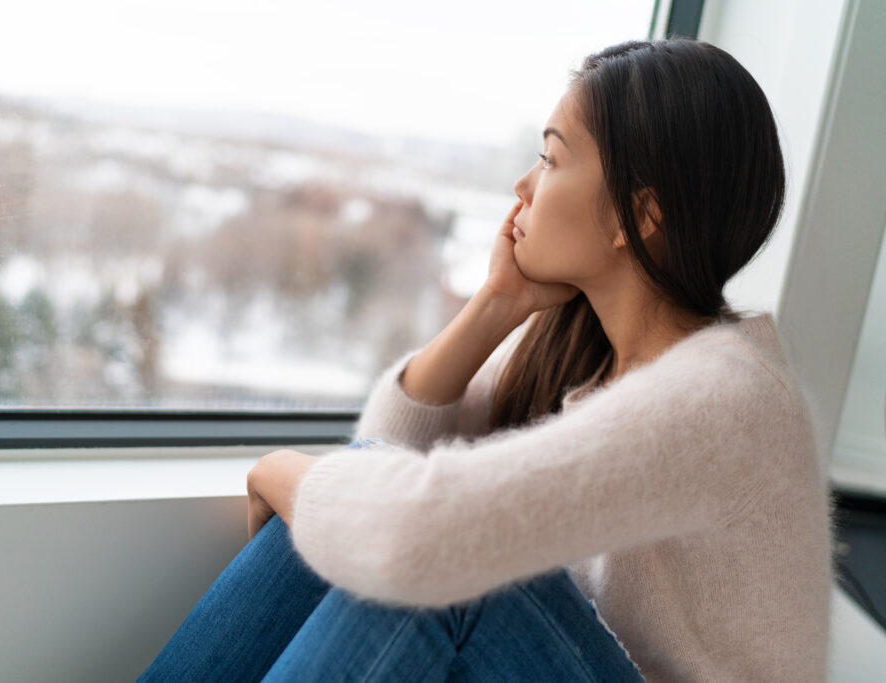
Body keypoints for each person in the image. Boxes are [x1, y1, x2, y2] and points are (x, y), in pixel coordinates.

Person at [139, 37, 832, 682]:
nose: (522, 187)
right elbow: (389, 444)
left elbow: (413, 533)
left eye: (553, 158)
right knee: (346, 514)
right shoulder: (595, 355)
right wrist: (497, 302)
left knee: (439, 567)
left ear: (638, 216)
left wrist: (280, 471)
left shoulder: (727, 395)